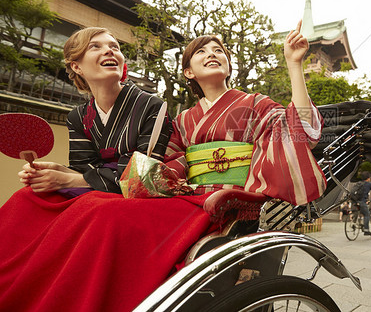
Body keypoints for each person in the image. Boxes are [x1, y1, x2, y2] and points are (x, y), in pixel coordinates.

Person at [0, 27, 212, 312]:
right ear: (76, 65)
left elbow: (142, 169)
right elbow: (81, 168)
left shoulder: (152, 104)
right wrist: (53, 172)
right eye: (96, 47)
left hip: (147, 192)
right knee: (26, 199)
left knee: (98, 209)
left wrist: (66, 178)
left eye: (114, 46)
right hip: (101, 190)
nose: (109, 50)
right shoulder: (78, 115)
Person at [165, 20, 326, 206]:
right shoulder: (182, 121)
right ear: (188, 72)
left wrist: (294, 63)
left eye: (218, 51)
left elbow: (298, 129)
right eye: (201, 51)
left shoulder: (256, 104)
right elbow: (170, 164)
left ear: (228, 67)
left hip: (242, 200)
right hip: (191, 200)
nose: (211, 54)